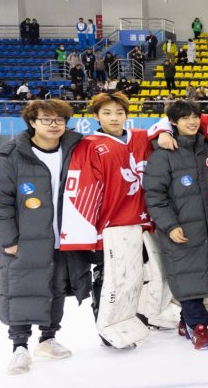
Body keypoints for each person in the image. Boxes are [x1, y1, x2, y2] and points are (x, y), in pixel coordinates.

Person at [0, 99, 92, 375]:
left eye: (59, 120)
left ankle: (48, 338)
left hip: (63, 238)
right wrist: (8, 240)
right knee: (20, 288)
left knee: (55, 289)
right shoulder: (10, 156)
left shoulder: (75, 150)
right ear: (32, 122)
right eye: (46, 119)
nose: (54, 125)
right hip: (24, 240)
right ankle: (19, 347)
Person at [58, 92, 160, 348]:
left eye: (119, 113)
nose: (114, 118)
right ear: (96, 116)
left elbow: (168, 124)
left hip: (140, 223)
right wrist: (88, 229)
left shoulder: (139, 137)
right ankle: (105, 325)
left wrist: (165, 132)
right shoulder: (90, 144)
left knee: (136, 276)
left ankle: (129, 318)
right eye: (107, 113)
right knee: (108, 276)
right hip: (109, 226)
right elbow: (82, 189)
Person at [143, 100, 208, 350]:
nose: (192, 122)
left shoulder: (207, 148)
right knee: (188, 276)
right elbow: (154, 196)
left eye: (195, 116)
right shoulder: (163, 154)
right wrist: (169, 225)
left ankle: (184, 320)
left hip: (207, 228)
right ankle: (199, 327)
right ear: (172, 122)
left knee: (199, 275)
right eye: (185, 118)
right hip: (179, 229)